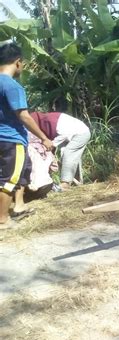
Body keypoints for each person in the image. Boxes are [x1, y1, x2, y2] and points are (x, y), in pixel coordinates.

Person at [0, 42, 53, 230]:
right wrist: (44, 138)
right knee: (8, 180)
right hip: (12, 139)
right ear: (18, 62)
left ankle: (13, 209)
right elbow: (23, 115)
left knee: (7, 177)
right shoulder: (12, 86)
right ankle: (3, 219)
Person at [30, 111, 91, 189]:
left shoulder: (51, 121)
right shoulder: (44, 122)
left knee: (68, 153)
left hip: (81, 133)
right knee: (70, 157)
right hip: (70, 135)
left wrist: (53, 144)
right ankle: (77, 182)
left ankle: (65, 183)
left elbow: (64, 134)